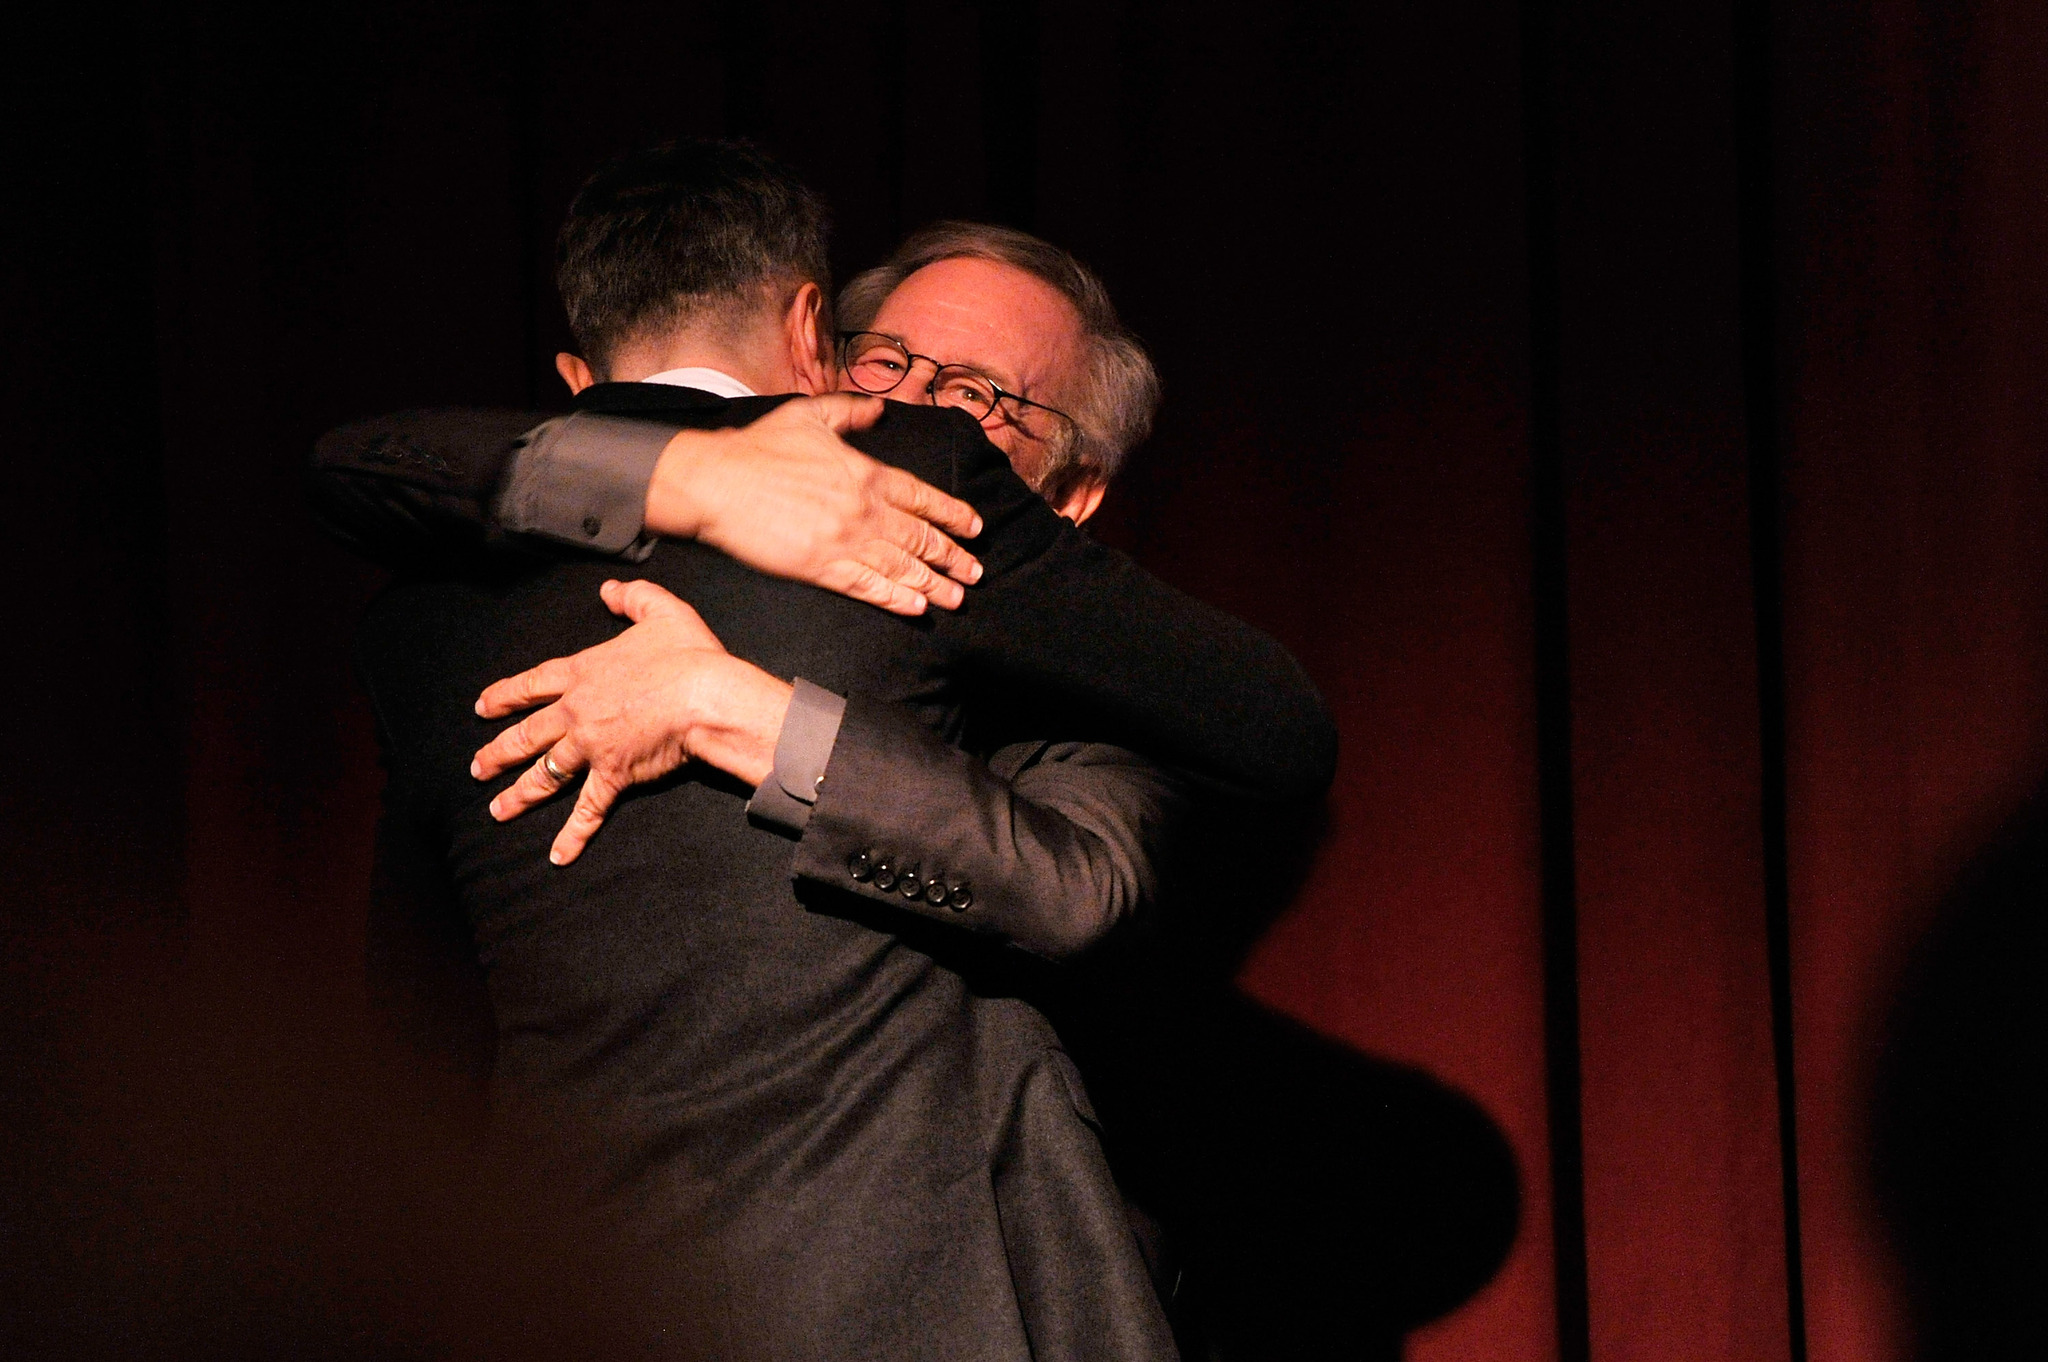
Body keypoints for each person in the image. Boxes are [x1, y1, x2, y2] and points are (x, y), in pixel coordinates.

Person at [345, 138, 1334, 1358]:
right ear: (818, 356)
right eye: (891, 363)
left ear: (1070, 496)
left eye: (979, 398)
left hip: (944, 1288)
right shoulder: (542, 570)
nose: (918, 411)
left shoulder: (1100, 677)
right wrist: (689, 473)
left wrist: (745, 715)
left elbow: (1089, 875)